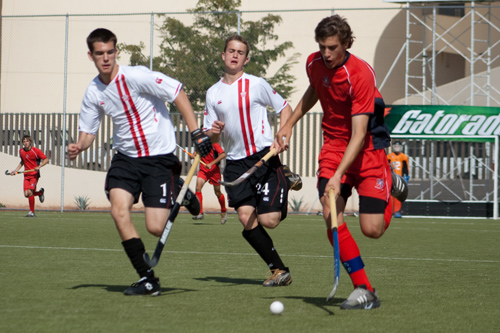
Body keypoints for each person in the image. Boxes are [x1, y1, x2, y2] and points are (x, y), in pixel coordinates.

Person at [67, 28, 212, 296]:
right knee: (118, 211)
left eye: (110, 52)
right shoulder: (93, 92)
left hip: (158, 158)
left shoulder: (136, 76)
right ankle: (147, 279)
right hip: (126, 158)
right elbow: (88, 132)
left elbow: (177, 92)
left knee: (156, 228)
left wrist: (196, 132)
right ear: (91, 56)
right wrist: (80, 146)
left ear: (116, 51)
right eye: (100, 54)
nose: (106, 58)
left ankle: (180, 187)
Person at [276, 15, 408, 309]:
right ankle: (364, 289)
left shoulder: (360, 73)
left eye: (332, 47)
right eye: (322, 46)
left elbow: (359, 134)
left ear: (346, 43)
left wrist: (338, 176)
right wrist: (290, 123)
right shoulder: (314, 63)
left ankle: (391, 183)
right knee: (330, 213)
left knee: (372, 230)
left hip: (367, 149)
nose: (326, 53)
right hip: (334, 147)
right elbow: (314, 89)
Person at [203, 34, 302, 287]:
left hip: (263, 156)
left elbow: (285, 107)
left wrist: (284, 132)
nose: (235, 55)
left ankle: (283, 176)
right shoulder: (213, 93)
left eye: (240, 52)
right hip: (235, 163)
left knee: (270, 220)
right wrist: (214, 130)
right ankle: (280, 270)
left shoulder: (257, 84)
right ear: (223, 55)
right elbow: (211, 134)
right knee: (247, 218)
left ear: (246, 59)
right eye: (231, 51)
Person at [9, 135, 49, 217]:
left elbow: (46, 159)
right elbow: (22, 162)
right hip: (26, 175)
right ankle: (40, 193)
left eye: (27, 141)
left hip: (34, 175)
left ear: (30, 142)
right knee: (26, 194)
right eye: (24, 141)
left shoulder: (36, 151)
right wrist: (15, 170)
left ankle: (32, 212)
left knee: (30, 192)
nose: (25, 143)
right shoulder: (21, 151)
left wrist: (39, 166)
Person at [190, 141, 228, 224]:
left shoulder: (214, 143)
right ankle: (200, 212)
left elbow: (223, 154)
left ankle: (223, 211)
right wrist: (193, 155)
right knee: (198, 188)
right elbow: (195, 152)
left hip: (214, 171)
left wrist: (211, 163)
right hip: (203, 170)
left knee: (217, 193)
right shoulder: (199, 143)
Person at [387, 141, 410, 218]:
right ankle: (389, 211)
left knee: (397, 195)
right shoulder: (389, 156)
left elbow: (405, 168)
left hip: (399, 178)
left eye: (398, 146)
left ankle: (397, 210)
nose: (397, 147)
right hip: (390, 178)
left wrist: (406, 177)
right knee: (389, 196)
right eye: (395, 146)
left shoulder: (404, 157)